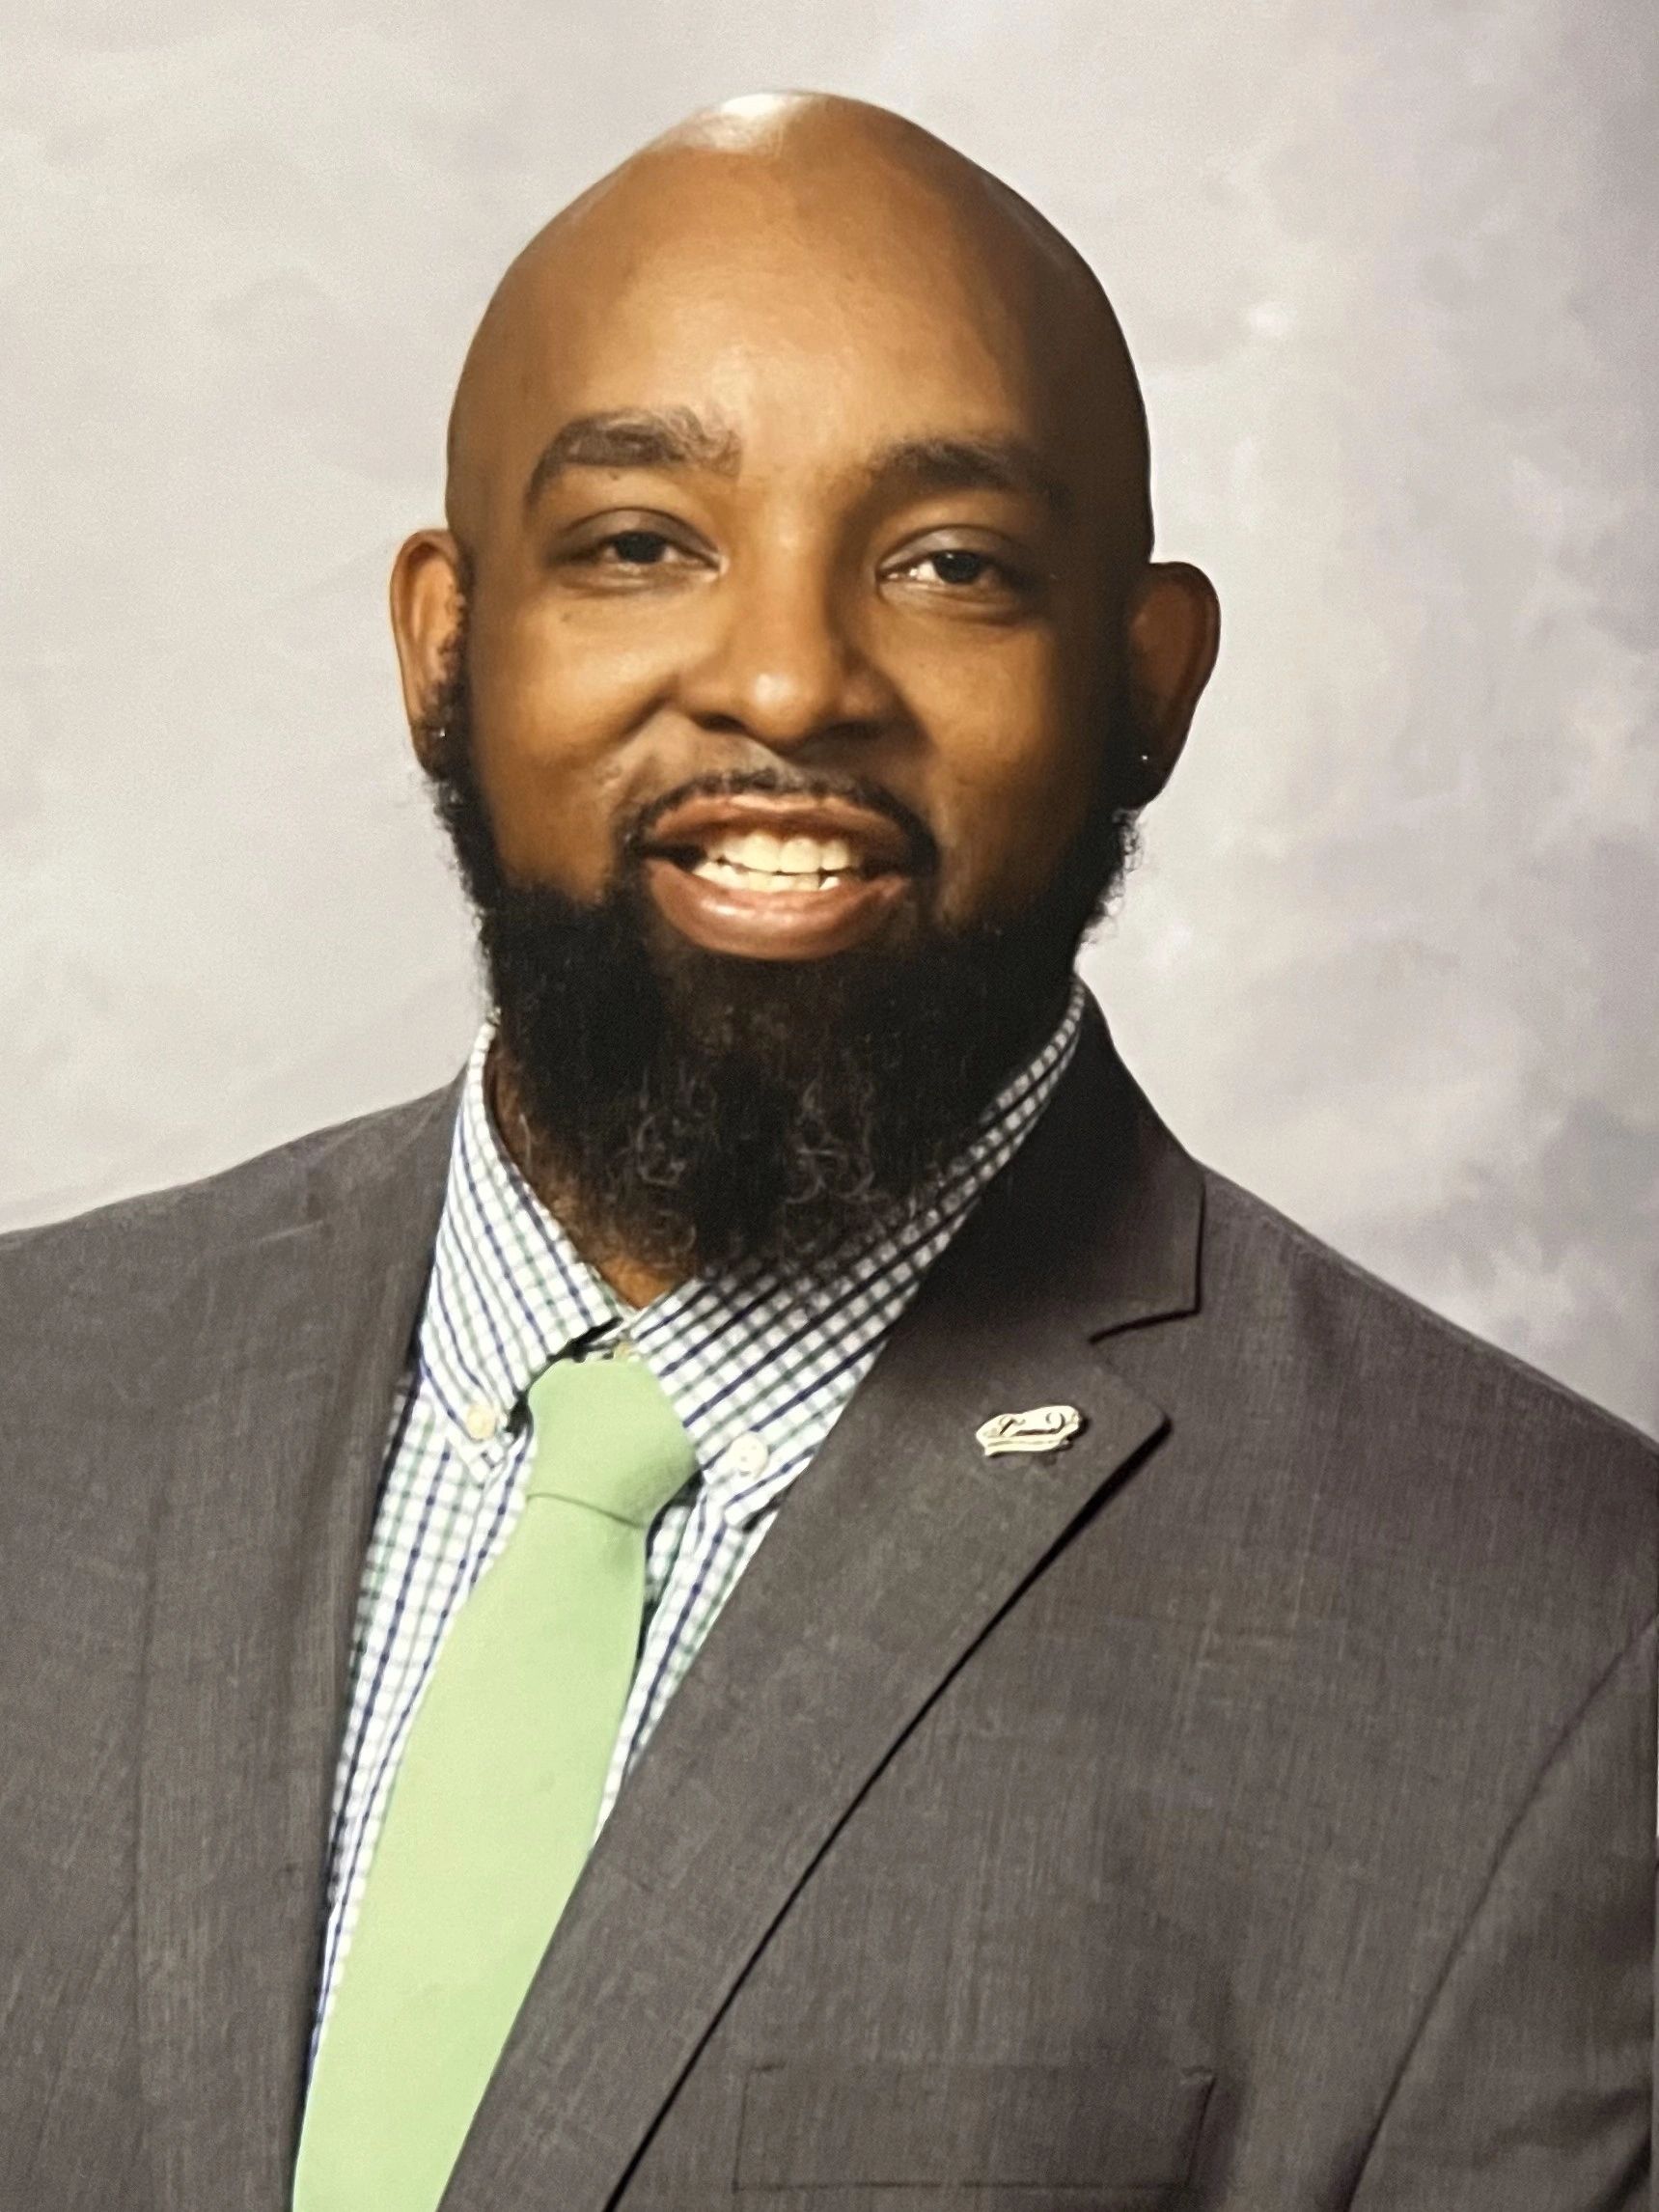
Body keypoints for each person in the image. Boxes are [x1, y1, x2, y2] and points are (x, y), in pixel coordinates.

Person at [0, 89, 1650, 2212]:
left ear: (1143, 682)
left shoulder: (1555, 1648)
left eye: (948, 564)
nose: (786, 678)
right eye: (635, 545)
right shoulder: (39, 1402)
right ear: (443, 641)